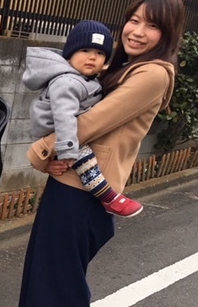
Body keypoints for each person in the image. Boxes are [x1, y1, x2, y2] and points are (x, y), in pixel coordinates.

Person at [15, 0, 186, 307]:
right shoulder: (123, 66)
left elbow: (90, 124)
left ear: (168, 33)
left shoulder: (153, 73)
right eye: (135, 19)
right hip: (72, 181)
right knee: (52, 268)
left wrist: (38, 154)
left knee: (64, 274)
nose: (138, 31)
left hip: (87, 192)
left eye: (153, 25)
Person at [23, 20, 143, 217]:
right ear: (70, 53)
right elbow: (64, 115)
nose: (92, 58)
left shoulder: (83, 78)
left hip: (65, 128)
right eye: (85, 50)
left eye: (100, 53)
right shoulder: (67, 81)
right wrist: (68, 147)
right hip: (58, 128)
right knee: (84, 156)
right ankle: (108, 197)